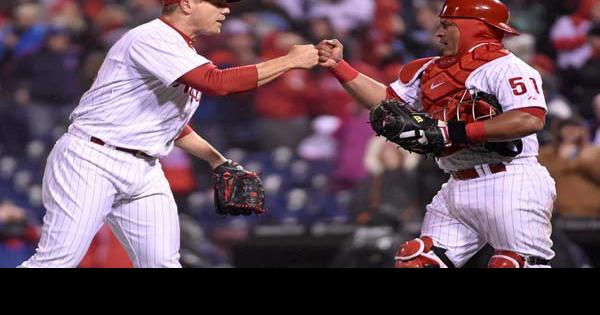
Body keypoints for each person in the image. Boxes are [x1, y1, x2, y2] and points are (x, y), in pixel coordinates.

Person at [20, 0, 318, 268]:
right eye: (217, 3)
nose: (225, 10)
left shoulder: (182, 49)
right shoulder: (151, 37)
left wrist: (217, 160)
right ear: (186, 4)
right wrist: (289, 60)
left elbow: (171, 124)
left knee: (163, 263)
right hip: (92, 159)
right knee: (57, 261)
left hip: (145, 168)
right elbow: (217, 83)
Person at [317, 0, 556, 268]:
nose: (438, 33)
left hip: (510, 180)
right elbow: (389, 102)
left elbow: (529, 119)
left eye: (446, 25)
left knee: (513, 265)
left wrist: (455, 131)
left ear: (474, 27)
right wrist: (339, 67)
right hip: (456, 184)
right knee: (417, 262)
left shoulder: (509, 68)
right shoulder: (428, 69)